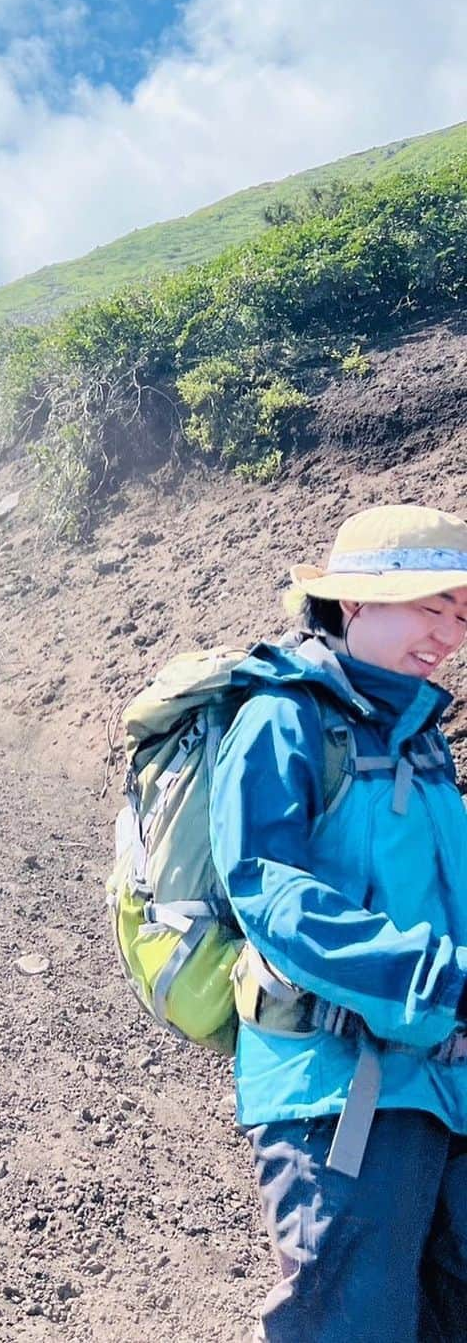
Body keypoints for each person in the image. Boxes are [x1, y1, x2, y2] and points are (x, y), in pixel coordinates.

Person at [208, 505, 467, 1342]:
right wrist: (438, 980)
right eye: (433, 606)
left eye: (462, 615)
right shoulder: (285, 718)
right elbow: (270, 893)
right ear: (354, 602)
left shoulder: (426, 740)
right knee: (354, 1326)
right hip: (339, 1092)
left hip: (445, 1086)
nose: (449, 634)